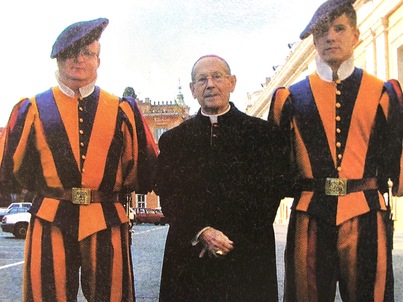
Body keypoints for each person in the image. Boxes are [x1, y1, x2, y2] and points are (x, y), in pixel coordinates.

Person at [0, 18, 158, 301]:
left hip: (106, 217)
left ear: (99, 60)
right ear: (58, 60)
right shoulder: (33, 109)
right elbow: (14, 168)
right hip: (50, 219)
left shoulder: (121, 110)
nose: (79, 59)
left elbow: (139, 167)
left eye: (87, 52)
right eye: (70, 53)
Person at [268, 0, 403, 301]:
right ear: (314, 41)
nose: (331, 37)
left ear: (355, 36)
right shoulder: (290, 99)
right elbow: (277, 170)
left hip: (366, 215)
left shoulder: (383, 94)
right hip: (310, 216)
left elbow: (397, 161)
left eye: (339, 28)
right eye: (322, 31)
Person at [156, 54, 287, 301]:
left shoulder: (262, 135)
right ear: (193, 89)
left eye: (217, 76)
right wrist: (202, 231)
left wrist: (225, 239)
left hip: (247, 252)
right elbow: (170, 196)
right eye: (202, 79)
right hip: (190, 251)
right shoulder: (174, 141)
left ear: (232, 82)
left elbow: (269, 194)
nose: (210, 84)